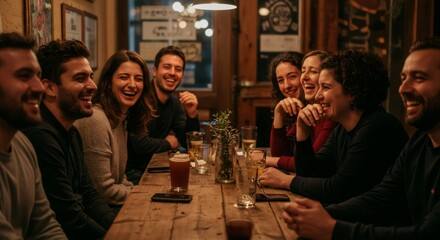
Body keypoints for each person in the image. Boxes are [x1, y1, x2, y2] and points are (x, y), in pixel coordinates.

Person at [281, 37, 440, 240]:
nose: (403, 89)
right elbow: (382, 195)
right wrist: (321, 216)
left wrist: (332, 228)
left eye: (419, 78)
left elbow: (428, 235)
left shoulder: (379, 127)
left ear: (353, 92)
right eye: (403, 78)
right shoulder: (420, 142)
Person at [260, 49, 408, 204]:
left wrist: (286, 181)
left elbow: (337, 189)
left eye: (326, 87)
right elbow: (312, 173)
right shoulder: (342, 130)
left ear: (352, 91)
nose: (318, 96)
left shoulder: (377, 127)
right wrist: (302, 132)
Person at [22, 39, 115, 239]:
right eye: (80, 78)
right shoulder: (41, 138)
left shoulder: (71, 132)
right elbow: (70, 218)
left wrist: (122, 228)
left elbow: (89, 196)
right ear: (49, 87)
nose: (92, 85)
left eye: (90, 77)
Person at [0, 32, 66, 239]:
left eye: (37, 75)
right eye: (23, 76)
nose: (39, 87)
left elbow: (45, 226)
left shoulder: (22, 144)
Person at [74, 50, 156, 211]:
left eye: (138, 79)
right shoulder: (96, 120)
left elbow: (120, 177)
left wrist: (137, 190)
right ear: (108, 81)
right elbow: (104, 191)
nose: (132, 84)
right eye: (124, 77)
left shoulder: (120, 118)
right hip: (97, 214)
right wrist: (145, 194)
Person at [127, 46, 200, 184]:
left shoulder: (174, 102)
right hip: (134, 173)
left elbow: (189, 143)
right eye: (167, 67)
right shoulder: (140, 98)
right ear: (154, 71)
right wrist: (168, 143)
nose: (172, 73)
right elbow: (140, 144)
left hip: (157, 168)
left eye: (178, 69)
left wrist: (192, 114)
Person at [266, 50, 336, 172]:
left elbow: (309, 163)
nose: (287, 85)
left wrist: (265, 159)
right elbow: (281, 153)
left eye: (292, 76)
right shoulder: (307, 109)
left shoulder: (332, 113)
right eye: (280, 80)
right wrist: (278, 113)